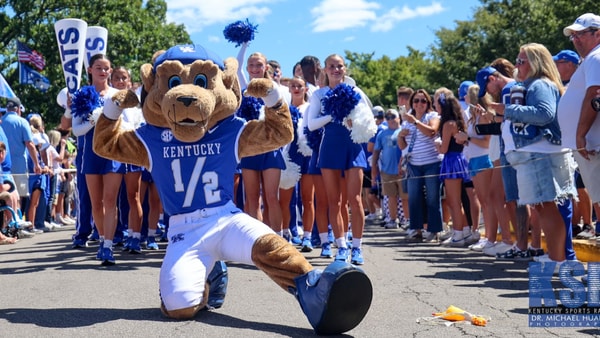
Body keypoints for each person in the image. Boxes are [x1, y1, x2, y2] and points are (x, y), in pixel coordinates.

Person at [489, 43, 576, 264]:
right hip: (535, 154)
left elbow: (545, 114)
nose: (517, 65)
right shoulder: (534, 84)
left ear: (536, 62)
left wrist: (506, 110)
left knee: (547, 207)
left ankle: (558, 259)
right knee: (544, 206)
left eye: (521, 61)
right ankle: (557, 257)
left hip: (540, 153)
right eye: (517, 60)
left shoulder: (540, 84)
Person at [306, 54, 374, 264]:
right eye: (331, 66)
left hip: (353, 147)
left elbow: (369, 120)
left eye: (340, 66)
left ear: (345, 69)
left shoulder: (356, 91)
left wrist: (355, 121)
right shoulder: (319, 95)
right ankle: (341, 246)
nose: (336, 69)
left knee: (355, 200)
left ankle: (357, 247)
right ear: (325, 70)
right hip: (330, 148)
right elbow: (311, 124)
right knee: (334, 201)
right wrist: (332, 116)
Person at [71, 54, 123, 265]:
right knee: (96, 202)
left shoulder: (117, 94)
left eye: (106, 68)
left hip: (112, 152)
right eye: (98, 67)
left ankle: (108, 246)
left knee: (111, 200)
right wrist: (95, 117)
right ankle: (102, 238)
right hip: (90, 154)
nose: (103, 71)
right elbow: (76, 129)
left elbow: (128, 122)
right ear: (90, 70)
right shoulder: (82, 94)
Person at [558, 13, 600, 243]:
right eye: (572, 36)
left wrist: (581, 134)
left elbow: (595, 94)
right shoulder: (592, 59)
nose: (575, 40)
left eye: (580, 34)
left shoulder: (596, 57)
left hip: (594, 142)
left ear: (598, 33)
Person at [236, 51, 286, 239]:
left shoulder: (274, 88)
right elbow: (237, 66)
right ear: (247, 68)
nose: (255, 68)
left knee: (272, 198)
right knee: (252, 199)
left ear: (266, 67)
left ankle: (278, 239)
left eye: (259, 65)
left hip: (271, 149)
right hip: (250, 150)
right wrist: (244, 45)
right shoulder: (244, 89)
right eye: (252, 65)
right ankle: (256, 241)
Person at [397, 89, 443, 242]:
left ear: (428, 103)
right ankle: (416, 229)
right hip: (413, 164)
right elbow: (402, 146)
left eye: (423, 101)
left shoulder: (432, 116)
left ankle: (434, 230)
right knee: (414, 198)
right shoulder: (407, 121)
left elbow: (432, 131)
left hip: (431, 163)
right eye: (416, 100)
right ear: (412, 103)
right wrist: (400, 137)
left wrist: (415, 122)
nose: (419, 104)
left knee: (432, 198)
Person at [111, 66, 145, 253]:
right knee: (113, 198)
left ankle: (135, 237)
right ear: (111, 81)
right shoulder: (108, 101)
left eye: (124, 78)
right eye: (117, 78)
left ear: (130, 82)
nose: (121, 81)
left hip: (132, 154)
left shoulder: (137, 106)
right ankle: (112, 236)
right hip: (115, 154)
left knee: (134, 196)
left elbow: (139, 127)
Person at [434, 88, 474, 247]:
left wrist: (437, 145)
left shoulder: (447, 124)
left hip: (451, 161)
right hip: (460, 159)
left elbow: (443, 149)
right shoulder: (458, 121)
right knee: (459, 199)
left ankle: (457, 234)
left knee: (453, 201)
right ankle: (463, 230)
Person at [0, 97, 42, 218]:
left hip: (3, 166)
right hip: (19, 166)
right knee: (18, 196)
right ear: (18, 109)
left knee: (5, 196)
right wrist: (36, 164)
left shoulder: (2, 121)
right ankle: (16, 221)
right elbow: (30, 144)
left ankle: (7, 223)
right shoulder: (22, 122)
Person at [372, 109, 403, 229]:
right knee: (391, 196)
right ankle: (392, 219)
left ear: (399, 118)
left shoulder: (403, 131)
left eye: (393, 117)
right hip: (387, 170)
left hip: (403, 170)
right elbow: (376, 151)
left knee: (405, 197)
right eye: (388, 117)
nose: (390, 120)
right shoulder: (382, 134)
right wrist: (374, 167)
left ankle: (406, 219)